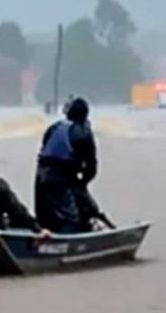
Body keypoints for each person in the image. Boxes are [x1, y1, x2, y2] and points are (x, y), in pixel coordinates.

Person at [35, 97, 112, 233]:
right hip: (59, 179)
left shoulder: (54, 128)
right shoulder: (83, 132)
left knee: (44, 216)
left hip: (41, 176)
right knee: (71, 219)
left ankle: (42, 233)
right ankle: (66, 243)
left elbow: (46, 152)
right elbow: (91, 167)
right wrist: (82, 183)